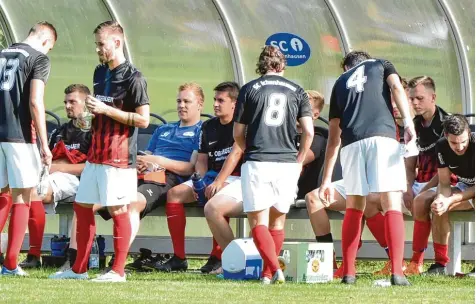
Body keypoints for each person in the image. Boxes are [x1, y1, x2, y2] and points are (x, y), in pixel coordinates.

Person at [49, 21, 150, 282]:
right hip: (95, 154)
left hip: (118, 156)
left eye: (101, 44)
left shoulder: (134, 77)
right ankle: (78, 270)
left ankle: (118, 271)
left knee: (118, 210)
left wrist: (107, 111)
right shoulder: (99, 72)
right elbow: (100, 110)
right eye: (96, 44)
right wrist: (90, 119)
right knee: (82, 208)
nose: (97, 50)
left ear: (117, 43)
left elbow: (143, 120)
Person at [204, 89, 325, 279]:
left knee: (266, 218)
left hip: (282, 185)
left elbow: (299, 162)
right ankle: (239, 261)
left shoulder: (318, 136)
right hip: (255, 176)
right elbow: (239, 147)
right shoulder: (273, 128)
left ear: (315, 114)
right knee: (212, 208)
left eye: (305, 107)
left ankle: (266, 271)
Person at [318, 51, 415, 285]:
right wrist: (409, 123)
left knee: (355, 204)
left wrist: (327, 179)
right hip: (382, 137)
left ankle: (348, 273)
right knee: (391, 201)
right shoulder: (381, 63)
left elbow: (333, 137)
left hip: (351, 144)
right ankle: (397, 272)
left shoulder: (340, 83)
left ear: (347, 67)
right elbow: (397, 88)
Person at [233, 45, 314, 284]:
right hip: (287, 162)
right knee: (278, 221)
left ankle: (273, 270)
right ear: (282, 65)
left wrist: (246, 147)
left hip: (258, 160)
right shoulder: (298, 90)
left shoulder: (249, 89)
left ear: (261, 65)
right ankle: (268, 273)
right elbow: (308, 131)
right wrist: (299, 158)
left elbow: (238, 132)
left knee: (258, 221)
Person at [149, 82, 241, 273]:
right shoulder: (208, 127)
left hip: (234, 178)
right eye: (215, 99)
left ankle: (218, 256)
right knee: (174, 194)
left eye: (221, 100)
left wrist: (218, 181)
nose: (215, 104)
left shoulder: (240, 126)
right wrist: (199, 180)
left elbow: (235, 155)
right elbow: (201, 159)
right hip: (211, 175)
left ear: (234, 103)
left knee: (216, 195)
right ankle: (179, 258)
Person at [0, 22, 57, 276]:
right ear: (46, 42)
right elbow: (35, 101)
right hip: (19, 136)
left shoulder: (2, 53)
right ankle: (11, 264)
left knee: (2, 194)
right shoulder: (39, 58)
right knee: (23, 196)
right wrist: (45, 145)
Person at [18, 84, 92, 269]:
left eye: (72, 102)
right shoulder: (60, 131)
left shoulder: (93, 132)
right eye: (65, 102)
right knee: (18, 190)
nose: (67, 106)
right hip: (51, 177)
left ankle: (33, 255)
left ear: (87, 103)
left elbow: (92, 168)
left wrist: (57, 168)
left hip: (79, 182)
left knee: (34, 192)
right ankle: (16, 251)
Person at [403, 76, 454, 275]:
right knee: (377, 200)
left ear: (433, 97)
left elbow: (447, 171)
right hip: (419, 183)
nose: (415, 103)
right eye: (412, 98)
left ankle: (418, 262)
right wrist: (407, 187)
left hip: (444, 183)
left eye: (420, 98)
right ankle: (394, 261)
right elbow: (409, 165)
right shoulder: (413, 125)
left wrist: (420, 191)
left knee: (421, 201)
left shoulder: (447, 124)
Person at [420, 114, 474, 275]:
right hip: (465, 186)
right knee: (438, 206)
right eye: (454, 143)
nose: (460, 147)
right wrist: (442, 200)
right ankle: (440, 264)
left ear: (469, 134)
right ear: (445, 137)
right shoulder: (441, 146)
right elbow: (444, 183)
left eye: (463, 141)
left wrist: (451, 199)